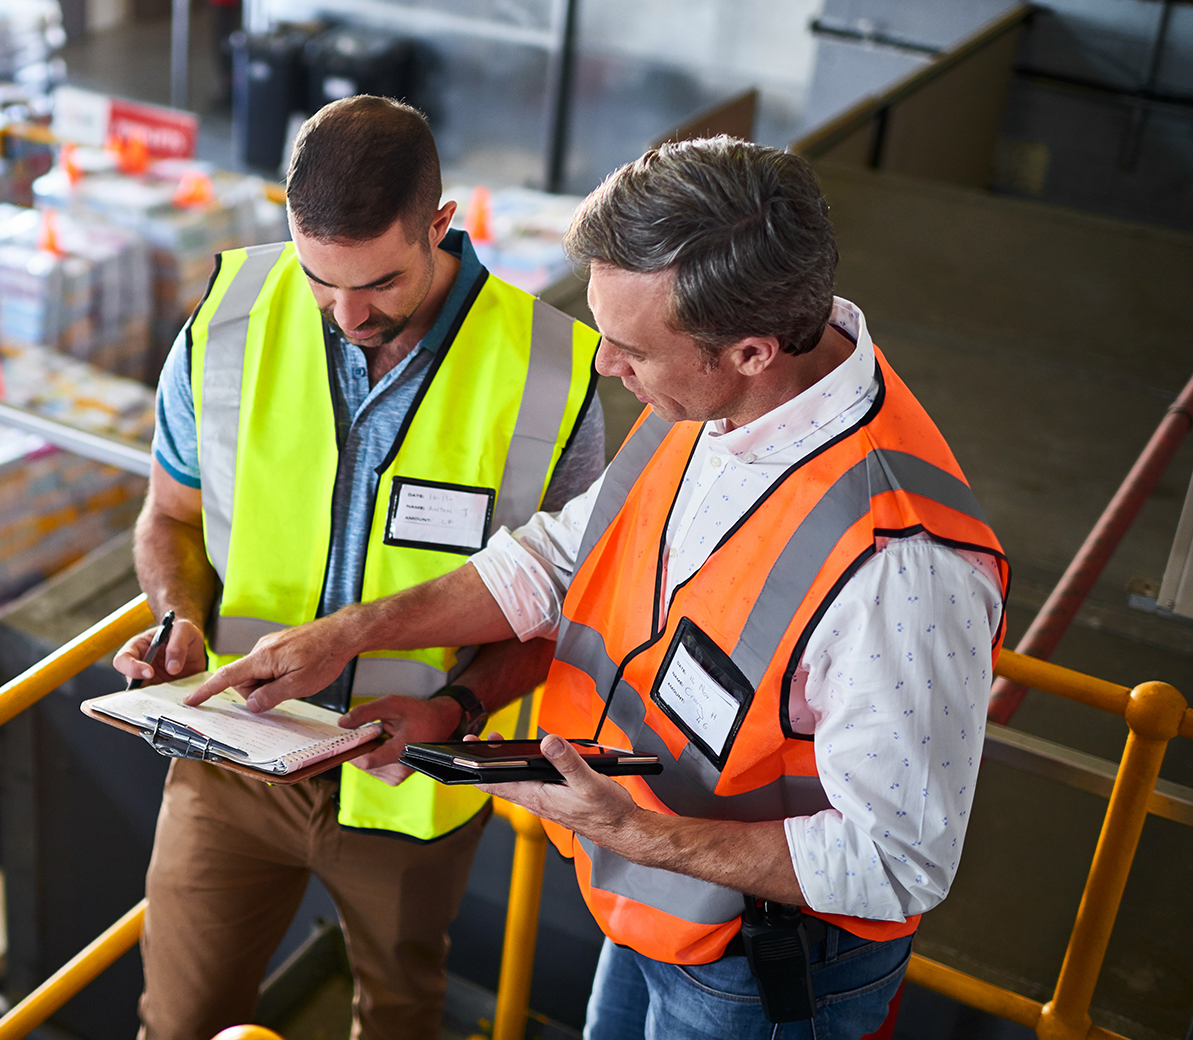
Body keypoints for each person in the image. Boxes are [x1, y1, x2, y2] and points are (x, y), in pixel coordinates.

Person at [193, 137, 1009, 1039]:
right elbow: (552, 559)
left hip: (761, 974)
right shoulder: (717, 403)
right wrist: (350, 634)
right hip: (655, 911)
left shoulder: (904, 567)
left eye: (631, 349)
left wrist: (632, 830)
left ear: (747, 350)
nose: (606, 366)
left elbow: (896, 861)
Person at [113, 95, 605, 1040]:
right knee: (176, 1025)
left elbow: (567, 611)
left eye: (378, 283)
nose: (346, 314)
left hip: (410, 781)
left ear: (440, 225)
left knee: (400, 1020)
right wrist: (178, 617)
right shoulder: (227, 322)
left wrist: (458, 712)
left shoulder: (554, 371)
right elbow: (170, 515)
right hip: (232, 759)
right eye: (318, 279)